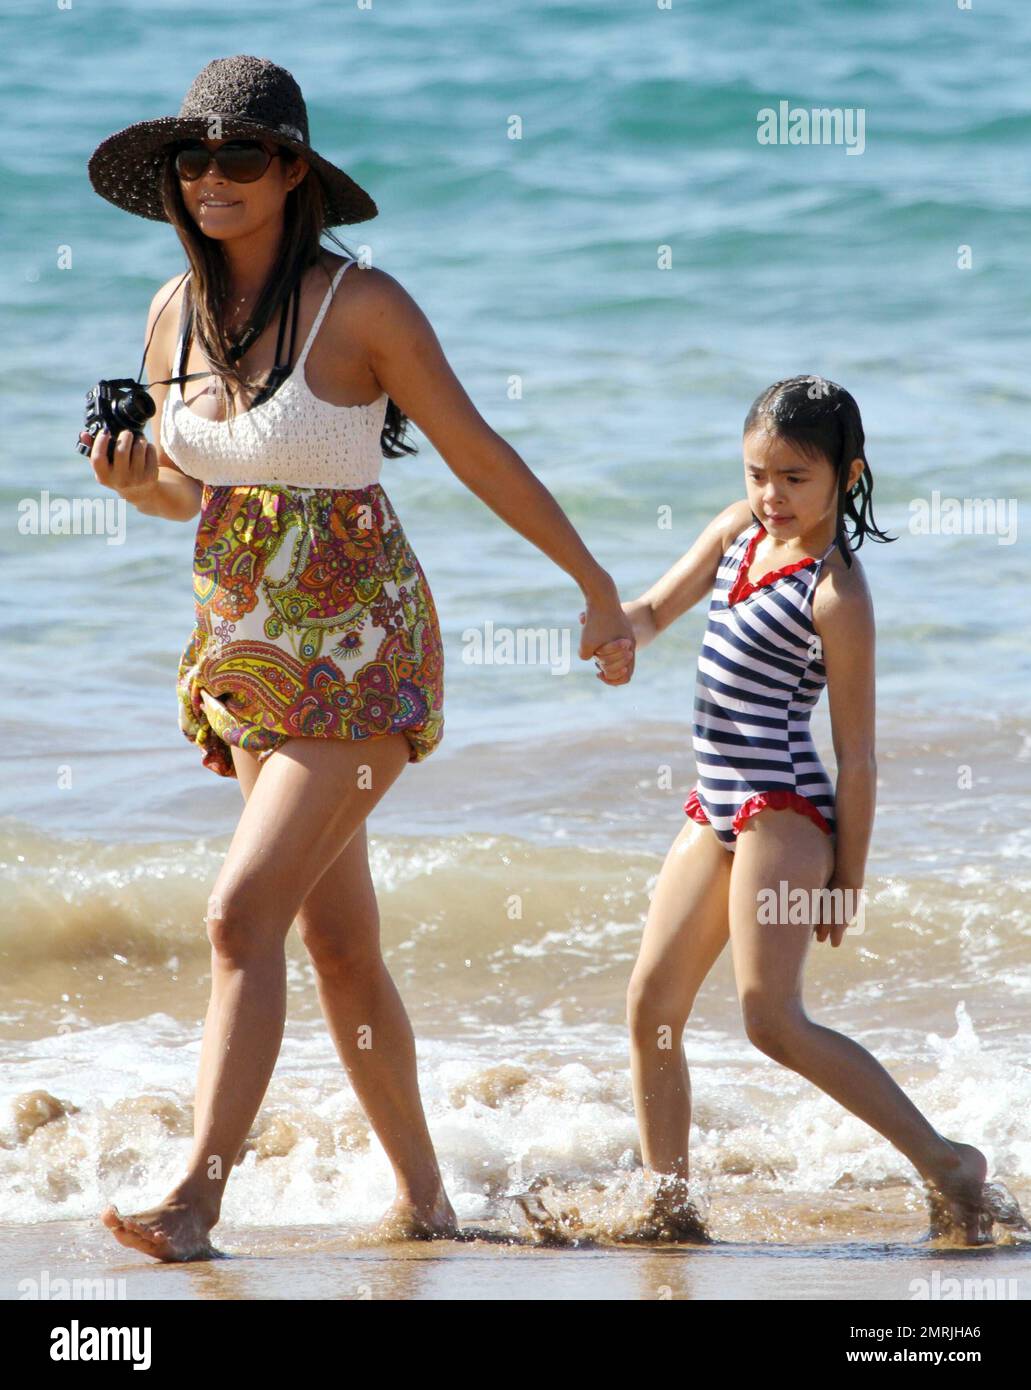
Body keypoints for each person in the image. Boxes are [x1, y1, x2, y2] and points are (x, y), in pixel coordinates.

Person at [83, 54, 635, 1262]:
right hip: (244, 656)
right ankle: (428, 1199)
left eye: (241, 156)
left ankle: (196, 1196)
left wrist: (593, 587)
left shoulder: (362, 307)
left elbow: (477, 450)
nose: (212, 178)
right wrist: (135, 485)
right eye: (194, 158)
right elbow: (194, 492)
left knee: (239, 917)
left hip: (362, 653)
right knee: (337, 946)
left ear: (291, 172)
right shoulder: (172, 310)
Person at [594, 376, 1028, 1246]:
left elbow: (858, 756)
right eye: (758, 473)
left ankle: (946, 1160)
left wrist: (848, 874)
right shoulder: (733, 533)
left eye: (794, 477)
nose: (770, 496)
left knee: (770, 1020)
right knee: (650, 1007)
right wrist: (616, 634)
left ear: (846, 475)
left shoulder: (836, 594)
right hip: (713, 803)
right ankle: (668, 1205)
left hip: (783, 812)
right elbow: (651, 611)